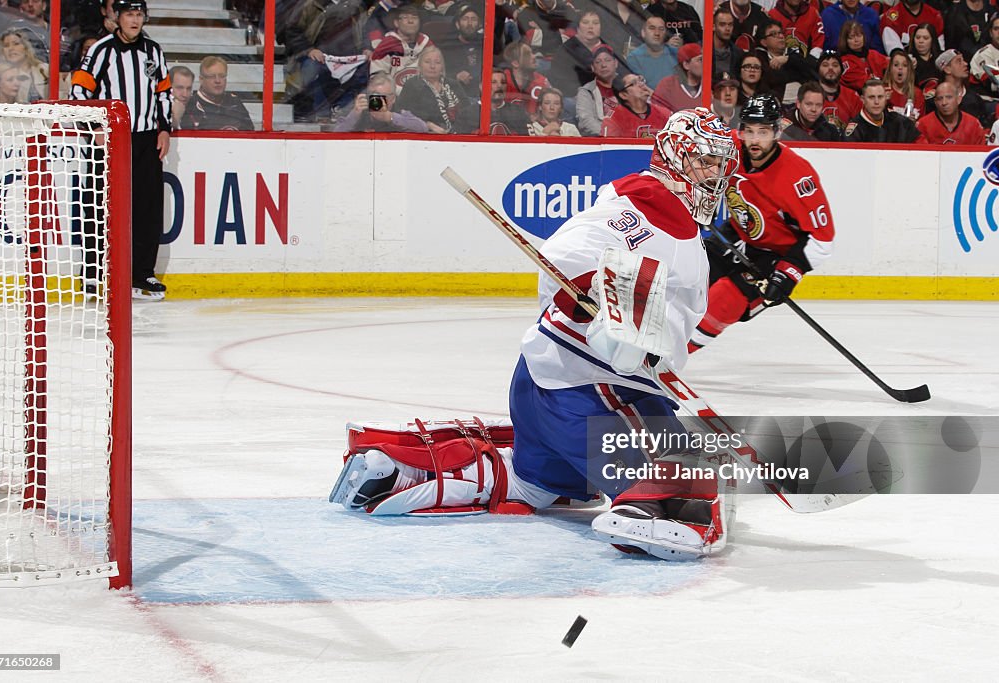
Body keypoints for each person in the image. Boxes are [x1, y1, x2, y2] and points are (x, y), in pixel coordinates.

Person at [331, 108, 743, 562]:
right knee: (686, 488)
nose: (714, 176)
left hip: (545, 385)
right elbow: (565, 255)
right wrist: (596, 292)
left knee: (535, 486)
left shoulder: (671, 216)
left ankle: (396, 472)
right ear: (673, 158)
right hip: (592, 391)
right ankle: (650, 512)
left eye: (721, 166)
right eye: (705, 163)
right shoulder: (644, 203)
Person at [689, 95, 834, 353]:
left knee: (727, 298)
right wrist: (701, 199)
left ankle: (671, 357)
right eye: (750, 131)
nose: (755, 140)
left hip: (776, 255)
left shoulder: (798, 176)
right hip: (736, 233)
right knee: (689, 273)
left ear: (777, 131)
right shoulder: (728, 147)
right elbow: (691, 169)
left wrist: (787, 274)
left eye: (764, 131)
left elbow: (823, 240)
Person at [71, 0, 172, 300]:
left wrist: (164, 128)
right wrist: (95, 127)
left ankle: (141, 274)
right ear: (117, 17)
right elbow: (78, 91)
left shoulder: (153, 51)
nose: (134, 20)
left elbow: (163, 92)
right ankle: (93, 275)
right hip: (111, 141)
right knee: (98, 208)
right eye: (129, 14)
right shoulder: (101, 50)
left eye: (139, 14)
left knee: (147, 209)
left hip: (145, 140)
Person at [395, 45, 477, 133]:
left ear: (442, 66)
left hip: (457, 133)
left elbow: (467, 111)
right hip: (425, 134)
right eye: (427, 62)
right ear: (420, 65)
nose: (432, 66)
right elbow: (402, 112)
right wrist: (428, 125)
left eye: (437, 62)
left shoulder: (453, 84)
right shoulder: (412, 85)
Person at [333, 73, 429, 132]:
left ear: (393, 99)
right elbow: (336, 134)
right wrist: (354, 115)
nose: (376, 100)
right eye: (373, 95)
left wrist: (389, 117)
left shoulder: (399, 111)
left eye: (382, 96)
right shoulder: (359, 111)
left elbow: (422, 128)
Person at [180, 56, 255, 131]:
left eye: (222, 76)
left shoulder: (235, 102)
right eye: (212, 76)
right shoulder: (190, 106)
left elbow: (249, 134)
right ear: (201, 80)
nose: (218, 81)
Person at [844, 78, 923, 142]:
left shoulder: (899, 122)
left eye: (880, 97)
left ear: (886, 98)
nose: (876, 102)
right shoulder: (855, 129)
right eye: (871, 97)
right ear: (863, 99)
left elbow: (921, 142)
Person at [601, 72, 672, 136]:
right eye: (633, 83)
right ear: (623, 95)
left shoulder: (665, 114)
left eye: (640, 80)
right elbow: (610, 148)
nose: (641, 84)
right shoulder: (613, 119)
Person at [916, 81, 987, 143]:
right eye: (940, 98)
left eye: (949, 97)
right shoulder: (923, 125)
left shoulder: (973, 125)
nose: (944, 102)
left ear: (959, 99)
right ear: (935, 102)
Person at [576, 44, 622, 136]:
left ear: (616, 63)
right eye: (598, 62)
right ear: (593, 67)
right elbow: (586, 122)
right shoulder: (586, 91)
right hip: (598, 141)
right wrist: (609, 134)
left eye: (607, 60)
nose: (603, 65)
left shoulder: (629, 86)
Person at [627, 15, 679, 89]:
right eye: (652, 28)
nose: (657, 33)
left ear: (665, 34)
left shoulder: (676, 55)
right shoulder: (634, 58)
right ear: (643, 33)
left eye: (661, 29)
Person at [0, 28, 47, 103]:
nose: (11, 48)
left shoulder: (45, 69)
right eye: (6, 45)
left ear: (26, 46)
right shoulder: (1, 73)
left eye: (16, 44)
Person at [816, 49, 861, 131]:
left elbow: (859, 128)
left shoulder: (852, 96)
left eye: (835, 65)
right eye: (825, 65)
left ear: (841, 70)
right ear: (818, 69)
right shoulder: (809, 94)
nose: (830, 68)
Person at [651, 40, 702, 112]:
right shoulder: (668, 85)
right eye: (700, 60)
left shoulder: (710, 86)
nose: (706, 63)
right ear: (686, 65)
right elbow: (657, 112)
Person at [838, 19, 888, 92]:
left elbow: (891, 67)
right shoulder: (844, 61)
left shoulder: (873, 54)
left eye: (859, 35)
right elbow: (863, 84)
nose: (856, 40)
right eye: (851, 37)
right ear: (845, 40)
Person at [502, 41, 551, 114]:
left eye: (532, 53)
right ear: (515, 63)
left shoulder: (542, 82)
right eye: (527, 54)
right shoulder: (501, 80)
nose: (534, 57)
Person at [881, 49, 925, 120]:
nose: (900, 68)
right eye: (896, 65)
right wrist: (883, 103)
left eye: (904, 65)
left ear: (909, 70)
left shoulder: (918, 94)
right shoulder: (882, 91)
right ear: (890, 69)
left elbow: (922, 124)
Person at [488, 68, 532, 134]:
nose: (499, 86)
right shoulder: (470, 112)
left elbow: (527, 139)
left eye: (503, 82)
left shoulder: (519, 112)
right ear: (481, 86)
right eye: (494, 82)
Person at [907, 22, 942, 98]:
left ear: (932, 40)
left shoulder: (941, 59)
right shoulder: (907, 60)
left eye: (925, 38)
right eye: (918, 37)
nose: (921, 41)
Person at [169, 64, 193, 130]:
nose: (185, 94)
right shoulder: (157, 110)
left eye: (188, 88)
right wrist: (175, 119)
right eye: (180, 88)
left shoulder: (195, 109)